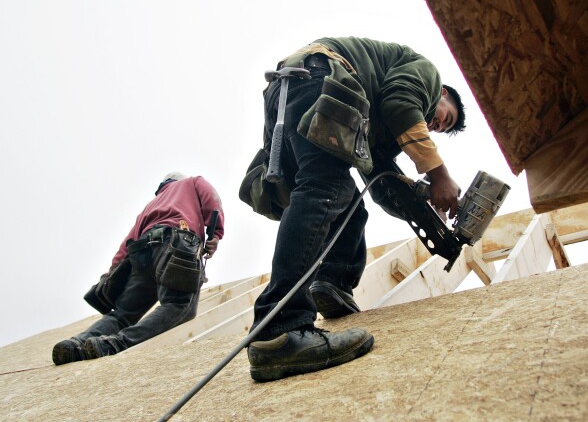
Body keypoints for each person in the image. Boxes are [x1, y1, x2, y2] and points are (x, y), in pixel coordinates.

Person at [245, 37, 466, 382]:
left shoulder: (377, 124)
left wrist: (425, 208)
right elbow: (401, 103)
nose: (437, 125)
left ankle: (331, 283)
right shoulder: (426, 75)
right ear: (442, 95)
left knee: (345, 197)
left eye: (443, 128)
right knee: (326, 188)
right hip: (320, 78)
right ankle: (281, 327)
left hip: (292, 89)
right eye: (445, 118)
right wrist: (440, 175)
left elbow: (378, 180)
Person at [52, 172, 225, 365]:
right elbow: (212, 199)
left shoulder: (149, 208)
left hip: (142, 253)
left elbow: (126, 246)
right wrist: (215, 234)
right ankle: (115, 344)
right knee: (179, 305)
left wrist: (110, 275)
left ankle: (75, 345)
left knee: (122, 314)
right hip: (176, 244)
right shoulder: (192, 182)